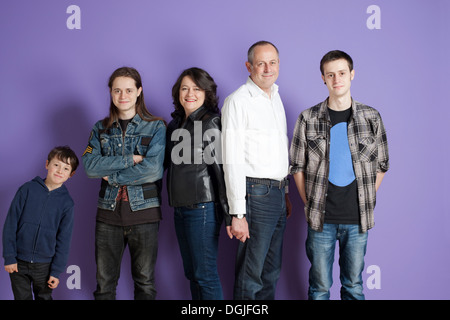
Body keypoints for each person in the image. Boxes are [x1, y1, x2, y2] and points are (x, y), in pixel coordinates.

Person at [290, 50, 390, 300]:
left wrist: (363, 196)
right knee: (320, 288)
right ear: (323, 78)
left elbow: (382, 165)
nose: (337, 79)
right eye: (330, 74)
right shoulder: (307, 118)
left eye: (342, 73)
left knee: (354, 286)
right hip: (320, 219)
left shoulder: (371, 117)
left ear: (352, 74)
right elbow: (297, 167)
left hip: (357, 218)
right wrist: (311, 202)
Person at [82, 67, 166, 300]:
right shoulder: (99, 129)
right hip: (107, 216)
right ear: (110, 92)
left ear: (139, 91)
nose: (123, 96)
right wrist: (131, 159)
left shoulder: (156, 126)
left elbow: (153, 169)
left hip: (145, 215)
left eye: (129, 90)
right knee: (104, 287)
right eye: (117, 90)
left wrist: (114, 176)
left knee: (145, 285)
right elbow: (89, 166)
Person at [221, 41, 291, 300]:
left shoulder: (275, 96)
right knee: (251, 276)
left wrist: (283, 194)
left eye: (272, 62)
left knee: (270, 274)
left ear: (278, 65)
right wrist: (237, 213)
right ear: (249, 66)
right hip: (256, 195)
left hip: (277, 193)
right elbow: (232, 159)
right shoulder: (238, 101)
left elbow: (274, 151)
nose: (267, 68)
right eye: (260, 63)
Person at [166, 67, 231, 300]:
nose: (190, 93)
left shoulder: (211, 121)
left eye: (196, 88)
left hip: (203, 208)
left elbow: (220, 170)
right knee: (192, 274)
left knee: (205, 275)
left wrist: (230, 214)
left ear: (206, 93)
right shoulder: (174, 125)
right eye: (185, 88)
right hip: (180, 209)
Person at [2, 146, 78, 300]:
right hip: (18, 262)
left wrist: (56, 272)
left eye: (65, 168)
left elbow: (64, 240)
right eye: (56, 164)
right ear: (47, 164)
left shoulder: (67, 203)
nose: (59, 170)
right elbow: (10, 224)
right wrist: (9, 257)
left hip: (45, 266)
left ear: (71, 174)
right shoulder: (27, 190)